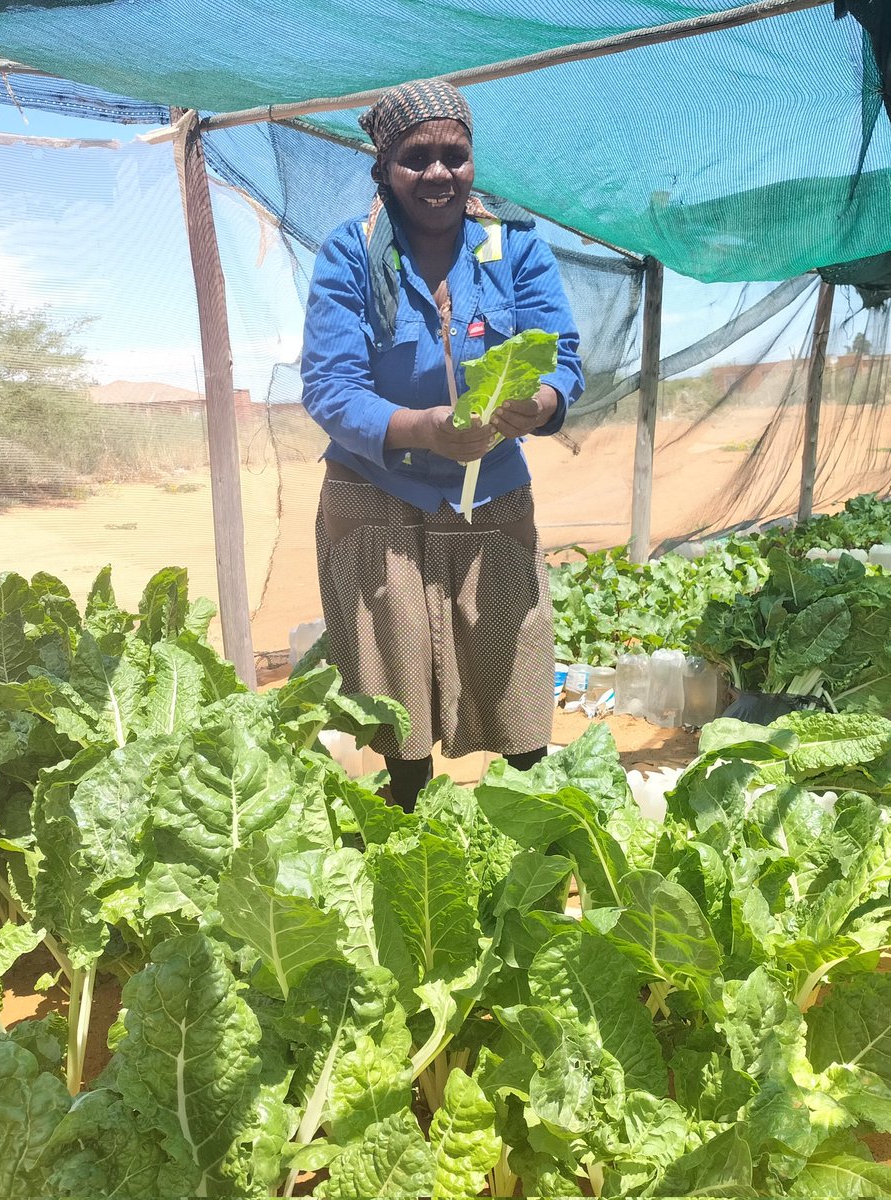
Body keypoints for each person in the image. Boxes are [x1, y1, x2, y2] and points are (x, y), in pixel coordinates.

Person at [300, 78, 584, 810]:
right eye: (415, 158)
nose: (437, 174)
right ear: (383, 168)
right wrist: (424, 428)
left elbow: (563, 360)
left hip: (491, 491)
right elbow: (331, 387)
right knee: (394, 683)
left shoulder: (512, 246)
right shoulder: (352, 253)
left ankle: (533, 824)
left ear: (472, 161)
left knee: (513, 663)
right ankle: (410, 829)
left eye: (453, 156)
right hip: (377, 494)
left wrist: (538, 403)